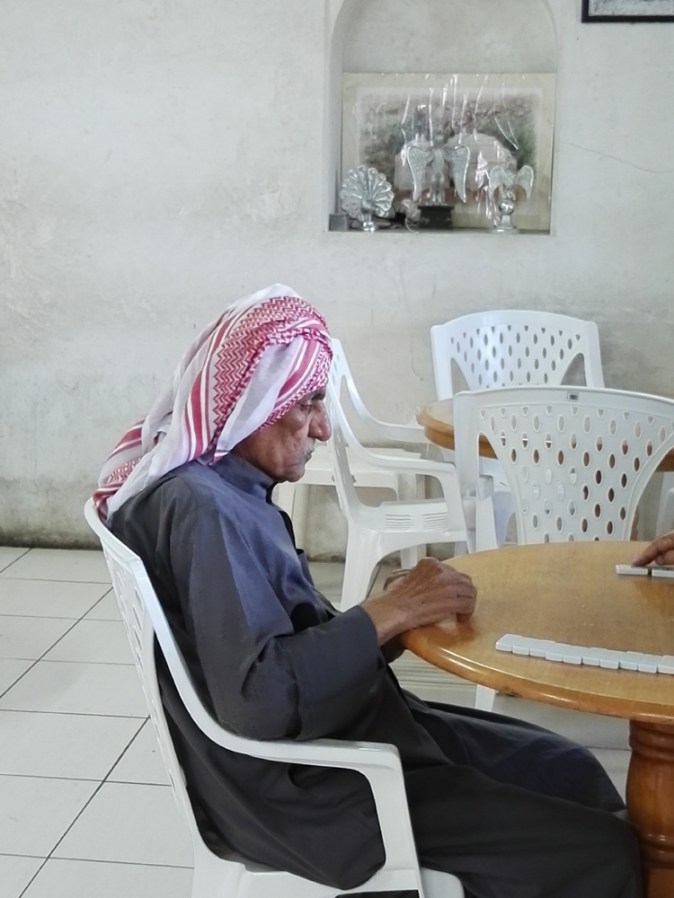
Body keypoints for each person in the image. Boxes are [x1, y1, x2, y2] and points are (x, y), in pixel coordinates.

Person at [94, 284, 642, 898]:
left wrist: (390, 618)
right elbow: (260, 701)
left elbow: (284, 647)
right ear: (251, 403)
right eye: (308, 405)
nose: (323, 429)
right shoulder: (205, 512)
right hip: (315, 790)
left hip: (346, 729)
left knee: (571, 768)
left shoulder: (227, 491)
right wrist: (391, 610)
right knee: (606, 853)